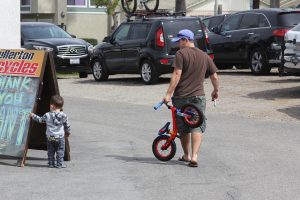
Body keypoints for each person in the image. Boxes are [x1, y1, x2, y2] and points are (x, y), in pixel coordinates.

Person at [164, 29, 219, 167]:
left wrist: (168, 94)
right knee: (196, 125)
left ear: (185, 40)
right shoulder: (204, 56)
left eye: (180, 41)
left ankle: (186, 155)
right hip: (198, 97)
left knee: (183, 128)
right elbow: (214, 76)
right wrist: (215, 90)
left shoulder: (181, 54)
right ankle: (194, 156)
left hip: (181, 97)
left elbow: (177, 74)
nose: (178, 45)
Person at [30, 95, 71, 168]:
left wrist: (33, 115)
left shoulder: (47, 115)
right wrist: (67, 133)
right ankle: (59, 164)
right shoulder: (64, 116)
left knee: (51, 151)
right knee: (60, 150)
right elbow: (67, 126)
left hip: (50, 137)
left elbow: (40, 120)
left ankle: (51, 163)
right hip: (60, 137)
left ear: (52, 106)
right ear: (61, 107)